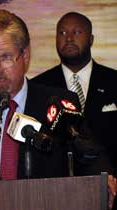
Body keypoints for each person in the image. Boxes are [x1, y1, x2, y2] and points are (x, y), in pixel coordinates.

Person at [0, 9, 116, 208]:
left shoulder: (58, 104)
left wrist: (103, 178)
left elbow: (90, 153)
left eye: (5, 57)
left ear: (26, 55)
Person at [32, 12, 117, 177]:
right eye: (62, 33)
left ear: (91, 39)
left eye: (77, 32)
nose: (68, 38)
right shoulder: (38, 86)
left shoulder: (114, 81)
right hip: (55, 189)